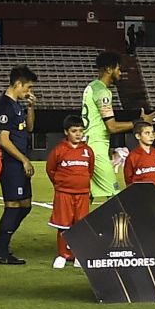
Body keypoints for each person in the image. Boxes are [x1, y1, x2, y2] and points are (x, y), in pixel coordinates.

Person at [82, 52, 151, 203]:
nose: (120, 72)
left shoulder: (91, 87)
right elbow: (112, 127)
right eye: (118, 69)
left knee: (87, 195)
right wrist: (138, 122)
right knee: (115, 197)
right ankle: (119, 227)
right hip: (96, 147)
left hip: (88, 144)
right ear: (108, 69)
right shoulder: (103, 92)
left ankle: (73, 226)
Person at [0, 66, 38, 265]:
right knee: (13, 205)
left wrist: (31, 107)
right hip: (11, 164)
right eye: (28, 87)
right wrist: (23, 160)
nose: (29, 91)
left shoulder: (17, 105)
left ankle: (0, 245)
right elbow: (3, 140)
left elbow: (30, 127)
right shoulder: (4, 107)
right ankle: (3, 254)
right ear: (17, 84)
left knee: (25, 205)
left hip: (20, 162)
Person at [47, 116, 96, 270]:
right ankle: (62, 255)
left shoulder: (87, 151)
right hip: (64, 194)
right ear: (66, 132)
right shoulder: (59, 150)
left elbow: (90, 170)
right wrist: (61, 184)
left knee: (79, 226)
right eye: (74, 131)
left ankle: (78, 256)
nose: (78, 134)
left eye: (81, 131)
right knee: (63, 225)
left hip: (82, 194)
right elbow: (51, 169)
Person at [121, 120, 155, 191]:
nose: (151, 136)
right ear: (138, 136)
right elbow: (128, 178)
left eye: (152, 132)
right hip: (140, 194)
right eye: (147, 133)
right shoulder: (132, 156)